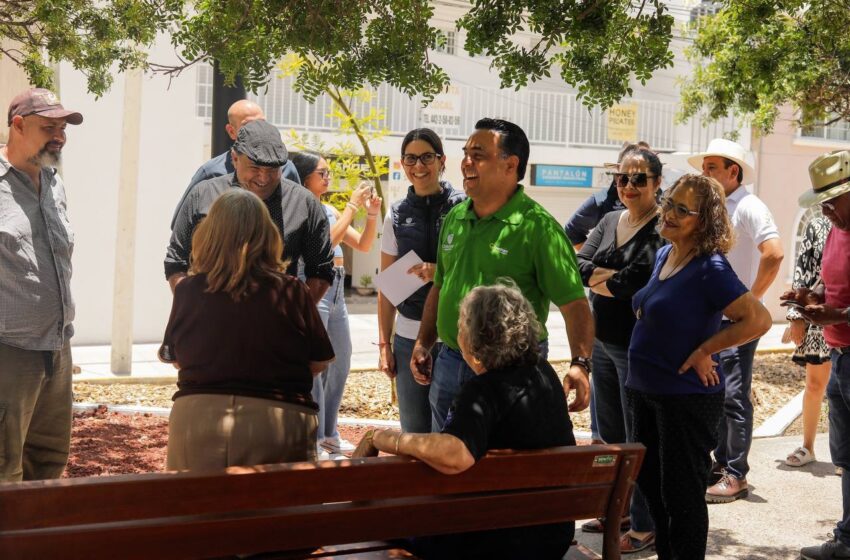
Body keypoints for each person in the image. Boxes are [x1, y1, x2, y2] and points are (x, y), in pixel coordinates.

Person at [355, 284, 576, 559]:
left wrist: (383, 438)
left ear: (473, 340)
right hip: (552, 534)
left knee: (379, 515)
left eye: (461, 325)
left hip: (490, 539)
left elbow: (455, 454)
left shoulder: (483, 391)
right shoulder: (544, 375)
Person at [410, 118, 594, 432]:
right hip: (450, 359)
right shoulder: (456, 216)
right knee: (447, 460)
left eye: (478, 155)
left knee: (500, 467)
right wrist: (423, 342)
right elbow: (441, 286)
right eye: (466, 152)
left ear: (511, 165)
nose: (466, 162)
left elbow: (574, 305)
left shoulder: (540, 230)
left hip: (509, 372)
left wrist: (580, 364)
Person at [627, 174, 771, 560]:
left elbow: (757, 320)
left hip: (684, 397)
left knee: (682, 497)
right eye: (668, 202)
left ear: (703, 221)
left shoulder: (711, 268)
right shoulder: (665, 254)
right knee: (652, 485)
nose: (668, 213)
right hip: (646, 389)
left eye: (681, 209)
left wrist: (708, 348)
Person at [159, 189, 335, 471]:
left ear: (208, 234)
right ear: (268, 235)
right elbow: (319, 360)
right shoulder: (292, 291)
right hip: (279, 420)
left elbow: (175, 357)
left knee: (195, 512)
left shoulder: (188, 290)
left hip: (197, 420)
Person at [576, 148, 664, 553]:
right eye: (622, 178)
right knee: (609, 436)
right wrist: (605, 277)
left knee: (637, 438)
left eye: (638, 179)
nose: (628, 186)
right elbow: (577, 266)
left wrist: (602, 276)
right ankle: (620, 511)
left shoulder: (662, 226)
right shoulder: (610, 219)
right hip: (601, 342)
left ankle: (645, 526)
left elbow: (635, 282)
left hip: (636, 347)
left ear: (657, 183)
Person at [689, 138, 783, 503]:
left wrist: (751, 302)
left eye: (713, 167)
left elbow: (773, 254)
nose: (705, 173)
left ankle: (735, 474)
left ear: (734, 172)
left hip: (734, 320)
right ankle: (721, 463)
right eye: (704, 167)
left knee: (733, 395)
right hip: (711, 317)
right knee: (714, 390)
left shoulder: (748, 206)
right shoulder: (713, 207)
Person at [0, 88, 83, 482]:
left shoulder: (54, 183)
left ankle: (38, 545)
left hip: (58, 350)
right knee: (3, 469)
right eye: (49, 127)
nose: (60, 137)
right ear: (17, 125)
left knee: (49, 464)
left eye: (63, 128)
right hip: (9, 354)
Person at [165, 119, 334, 302]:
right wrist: (192, 308)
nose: (263, 177)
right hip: (212, 322)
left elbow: (321, 270)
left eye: (272, 169)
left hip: (276, 323)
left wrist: (296, 315)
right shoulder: (203, 195)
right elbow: (176, 262)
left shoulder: (304, 203)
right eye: (255, 167)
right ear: (235, 159)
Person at [289, 150, 381, 455]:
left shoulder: (328, 209)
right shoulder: (299, 209)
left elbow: (364, 245)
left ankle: (329, 433)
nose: (328, 177)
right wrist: (352, 206)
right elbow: (325, 245)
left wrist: (370, 215)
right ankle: (314, 436)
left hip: (338, 290)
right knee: (316, 366)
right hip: (314, 288)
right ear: (304, 178)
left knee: (340, 362)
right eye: (322, 173)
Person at [377, 128, 465, 434]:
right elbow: (387, 288)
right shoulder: (397, 214)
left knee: (451, 434)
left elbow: (477, 269)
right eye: (411, 158)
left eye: (427, 157)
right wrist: (384, 345)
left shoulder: (463, 209)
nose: (419, 165)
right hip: (407, 337)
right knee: (414, 432)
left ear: (441, 161)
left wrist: (436, 270)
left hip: (456, 338)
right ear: (402, 164)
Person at [790, 150, 850, 560]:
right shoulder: (835, 230)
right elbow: (835, 287)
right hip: (840, 352)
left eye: (834, 198)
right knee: (846, 455)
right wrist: (812, 299)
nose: (826, 208)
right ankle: (847, 539)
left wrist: (837, 313)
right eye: (822, 201)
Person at [170, 99, 301, 228]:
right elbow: (182, 224)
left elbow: (302, 214)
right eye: (248, 125)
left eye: (261, 123)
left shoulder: (287, 168)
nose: (263, 177)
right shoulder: (210, 172)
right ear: (231, 131)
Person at [784, 213, 832, 468]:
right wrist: (795, 316)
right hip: (820, 316)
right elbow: (802, 271)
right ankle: (808, 446)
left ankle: (843, 455)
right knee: (815, 385)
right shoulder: (817, 224)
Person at [565, 141, 651, 249]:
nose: (630, 185)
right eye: (624, 176)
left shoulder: (663, 203)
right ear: (617, 170)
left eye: (639, 176)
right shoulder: (602, 200)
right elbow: (572, 230)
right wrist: (593, 259)